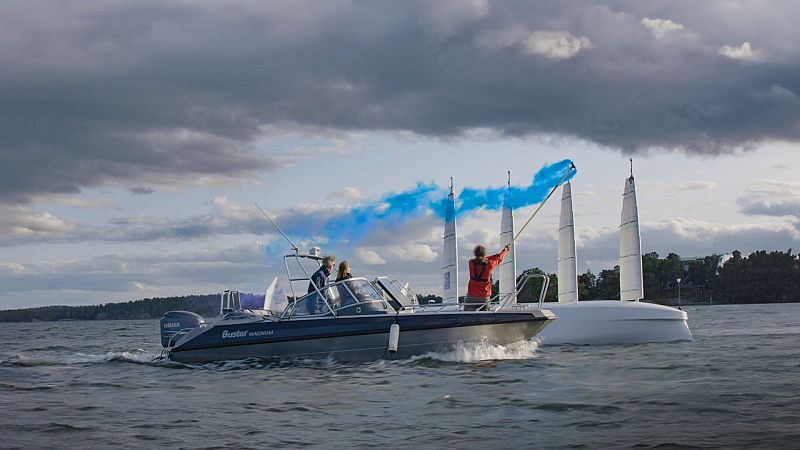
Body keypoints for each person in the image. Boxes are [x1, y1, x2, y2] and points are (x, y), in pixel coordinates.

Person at [465, 244, 510, 311]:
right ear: (484, 254)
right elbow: (499, 259)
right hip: (484, 297)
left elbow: (482, 259)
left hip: (471, 296)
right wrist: (505, 250)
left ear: (475, 253)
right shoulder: (490, 264)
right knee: (484, 317)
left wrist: (491, 256)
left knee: (467, 316)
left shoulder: (471, 262)